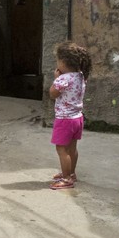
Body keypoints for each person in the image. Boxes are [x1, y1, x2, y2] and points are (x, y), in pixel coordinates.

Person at [47, 41, 91, 191]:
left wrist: (56, 79)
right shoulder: (80, 75)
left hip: (64, 119)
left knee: (61, 150)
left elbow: (53, 94)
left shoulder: (64, 79)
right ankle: (71, 173)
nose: (57, 63)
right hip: (77, 118)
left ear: (64, 62)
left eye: (58, 61)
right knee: (72, 148)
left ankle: (66, 179)